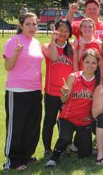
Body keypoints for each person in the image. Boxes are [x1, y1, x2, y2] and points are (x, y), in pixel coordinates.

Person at [46, 49, 101, 167]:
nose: (90, 65)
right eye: (87, 62)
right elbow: (63, 100)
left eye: (93, 63)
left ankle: (76, 145)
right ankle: (54, 157)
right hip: (68, 118)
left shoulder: (98, 81)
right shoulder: (73, 77)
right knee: (65, 138)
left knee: (85, 155)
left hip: (84, 121)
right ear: (82, 62)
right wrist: (64, 93)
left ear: (97, 65)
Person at [3, 12, 43, 171]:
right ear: (20, 25)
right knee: (16, 127)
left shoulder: (36, 43)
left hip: (35, 90)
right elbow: (8, 66)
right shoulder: (13, 41)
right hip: (17, 90)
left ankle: (26, 156)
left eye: (34, 24)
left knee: (32, 126)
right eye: (28, 24)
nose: (32, 27)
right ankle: (13, 160)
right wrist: (16, 54)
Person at [42, 20, 77, 157]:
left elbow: (75, 71)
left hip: (66, 93)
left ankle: (65, 147)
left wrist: (72, 88)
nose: (63, 33)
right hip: (51, 92)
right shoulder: (47, 45)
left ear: (69, 33)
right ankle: (47, 148)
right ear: (55, 30)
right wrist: (53, 39)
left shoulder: (71, 50)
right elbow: (54, 56)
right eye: (60, 30)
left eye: (66, 31)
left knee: (65, 122)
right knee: (49, 121)